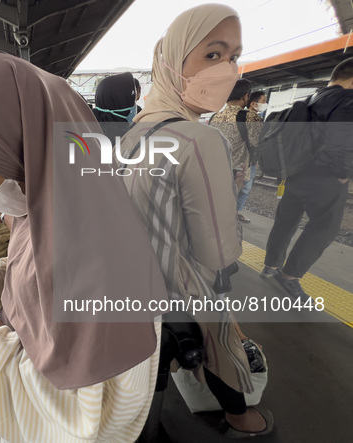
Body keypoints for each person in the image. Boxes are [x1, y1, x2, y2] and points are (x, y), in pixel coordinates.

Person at [0, 52, 170, 442]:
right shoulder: (51, 206)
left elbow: (88, 422)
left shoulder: (102, 261)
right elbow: (36, 264)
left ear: (32, 149)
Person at [120, 4, 273, 438]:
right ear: (171, 61)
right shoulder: (199, 139)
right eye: (212, 54)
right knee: (219, 336)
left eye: (233, 56)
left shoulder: (135, 133)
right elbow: (217, 252)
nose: (227, 69)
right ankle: (242, 419)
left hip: (131, 285)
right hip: (178, 290)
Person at [260, 57, 353, 299]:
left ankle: (271, 265)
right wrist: (344, 174)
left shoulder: (313, 98)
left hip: (296, 171)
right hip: (324, 176)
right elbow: (341, 143)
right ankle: (290, 276)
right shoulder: (347, 101)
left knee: (286, 219)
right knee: (325, 226)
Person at [210, 79, 264, 223]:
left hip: (217, 166)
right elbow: (257, 143)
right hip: (239, 168)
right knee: (237, 194)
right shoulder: (250, 117)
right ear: (246, 96)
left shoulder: (215, 116)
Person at [91, 72, 137, 144]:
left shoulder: (88, 125)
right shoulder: (124, 138)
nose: (135, 104)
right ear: (121, 101)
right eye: (132, 100)